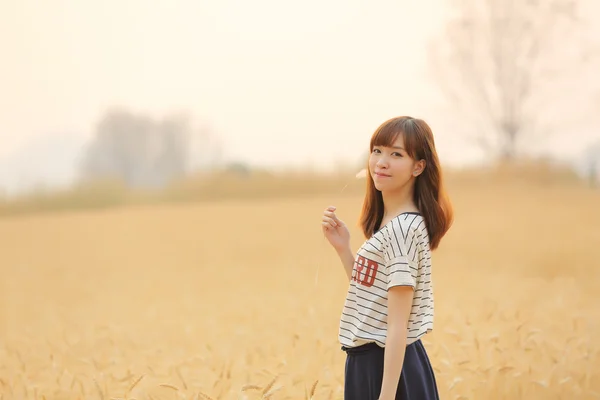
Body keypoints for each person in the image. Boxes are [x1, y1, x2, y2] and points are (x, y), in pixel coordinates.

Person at [321, 116, 453, 400]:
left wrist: (386, 396)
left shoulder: (403, 230)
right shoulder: (392, 223)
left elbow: (397, 324)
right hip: (376, 364)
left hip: (386, 369)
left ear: (419, 166)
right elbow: (372, 297)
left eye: (396, 154)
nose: (381, 162)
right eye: (377, 151)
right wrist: (344, 249)